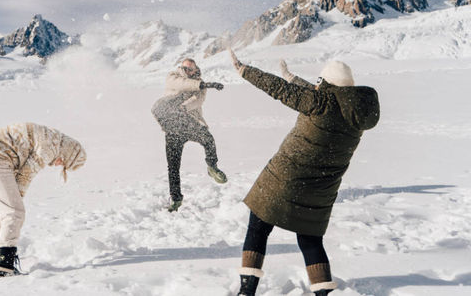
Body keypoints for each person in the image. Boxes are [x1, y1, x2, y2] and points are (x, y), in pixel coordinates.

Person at [229, 50, 380, 296]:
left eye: (321, 81)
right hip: (320, 190)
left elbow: (279, 90)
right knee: (310, 240)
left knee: (258, 227)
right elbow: (316, 94)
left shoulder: (321, 103)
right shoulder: (355, 112)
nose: (318, 84)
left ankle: (247, 289)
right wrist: (292, 77)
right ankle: (323, 293)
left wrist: (245, 71)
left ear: (328, 84)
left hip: (286, 179)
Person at [0, 122, 86, 277]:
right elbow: (26, 174)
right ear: (68, 152)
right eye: (64, 162)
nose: (58, 165)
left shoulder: (51, 136)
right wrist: (16, 199)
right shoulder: (52, 145)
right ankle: (4, 265)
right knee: (14, 212)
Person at [151, 57, 227, 211]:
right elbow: (182, 84)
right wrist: (201, 85)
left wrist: (183, 108)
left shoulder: (200, 85)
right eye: (184, 68)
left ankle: (212, 166)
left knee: (208, 140)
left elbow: (197, 101)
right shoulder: (173, 77)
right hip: (173, 126)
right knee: (173, 166)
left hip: (189, 121)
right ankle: (176, 199)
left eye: (190, 68)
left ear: (195, 69)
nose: (186, 71)